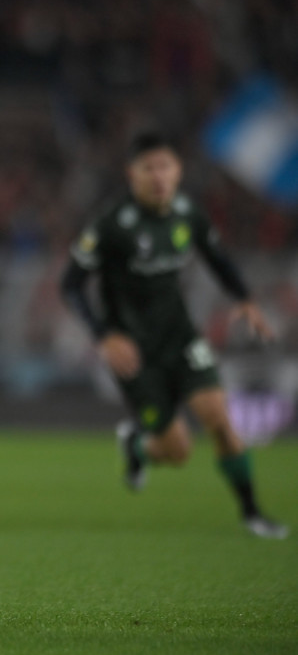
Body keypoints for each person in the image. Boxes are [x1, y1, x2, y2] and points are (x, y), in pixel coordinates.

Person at [60, 131, 287, 539]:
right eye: (149, 168)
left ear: (178, 171)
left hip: (180, 337)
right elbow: (70, 284)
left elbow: (217, 258)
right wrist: (103, 336)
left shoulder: (187, 213)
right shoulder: (112, 224)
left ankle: (252, 512)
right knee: (177, 451)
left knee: (219, 418)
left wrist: (243, 298)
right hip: (133, 351)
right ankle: (138, 446)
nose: (159, 176)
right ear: (132, 174)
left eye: (165, 166)